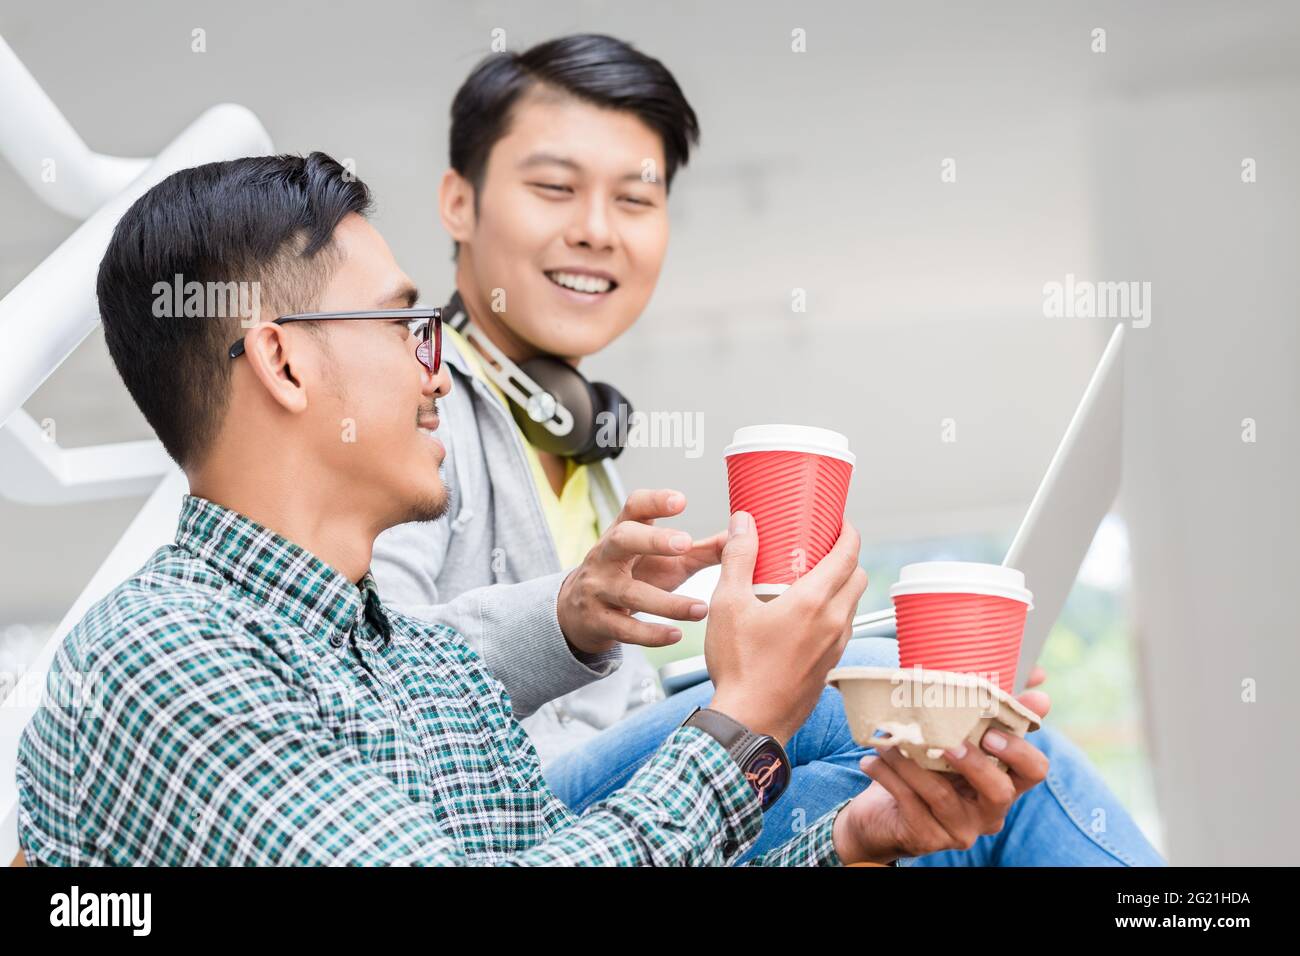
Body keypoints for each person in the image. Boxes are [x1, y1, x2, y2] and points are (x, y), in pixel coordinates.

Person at [15, 152, 1048, 865]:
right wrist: (743, 723)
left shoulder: (427, 672)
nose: (437, 375)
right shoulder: (159, 655)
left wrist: (856, 843)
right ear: (282, 357)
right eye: (404, 329)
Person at [371, 35, 1166, 864]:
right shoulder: (414, 409)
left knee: (943, 777)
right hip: (510, 824)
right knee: (854, 689)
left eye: (636, 201)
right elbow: (369, 669)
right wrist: (571, 617)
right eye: (554, 188)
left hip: (633, 813)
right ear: (458, 203)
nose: (597, 230)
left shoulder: (578, 449)